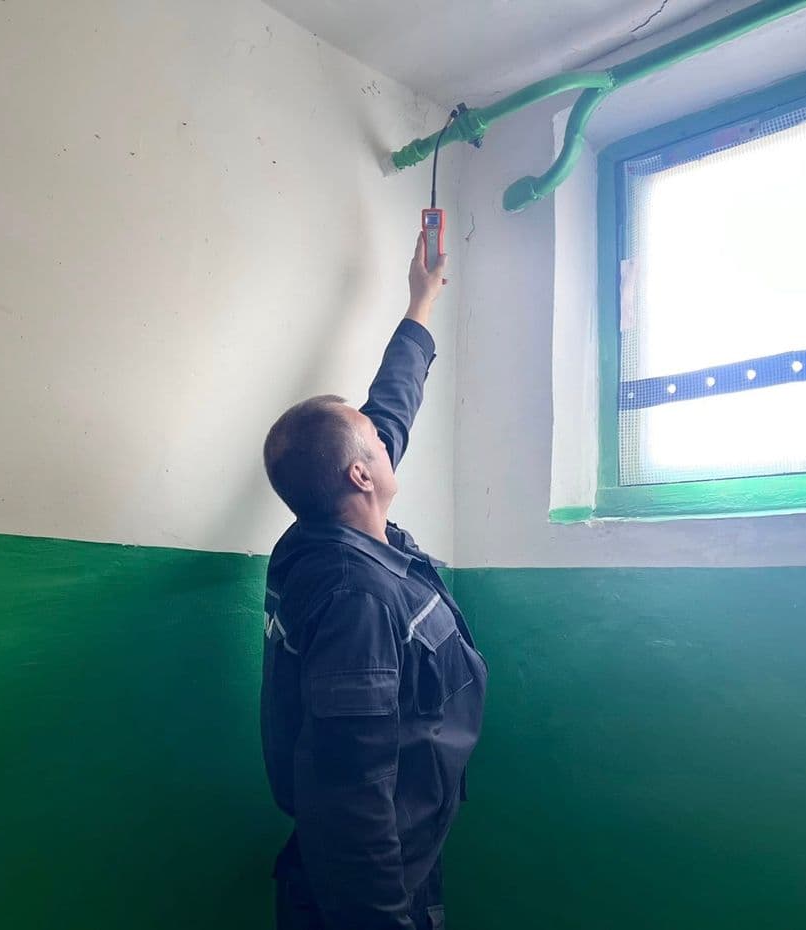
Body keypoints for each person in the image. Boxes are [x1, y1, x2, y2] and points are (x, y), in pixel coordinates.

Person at [260, 234, 487, 930]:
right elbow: (349, 789)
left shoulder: (333, 531)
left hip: (406, 851)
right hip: (374, 887)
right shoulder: (354, 597)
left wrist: (421, 303)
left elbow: (388, 409)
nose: (388, 439)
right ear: (361, 474)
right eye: (376, 443)